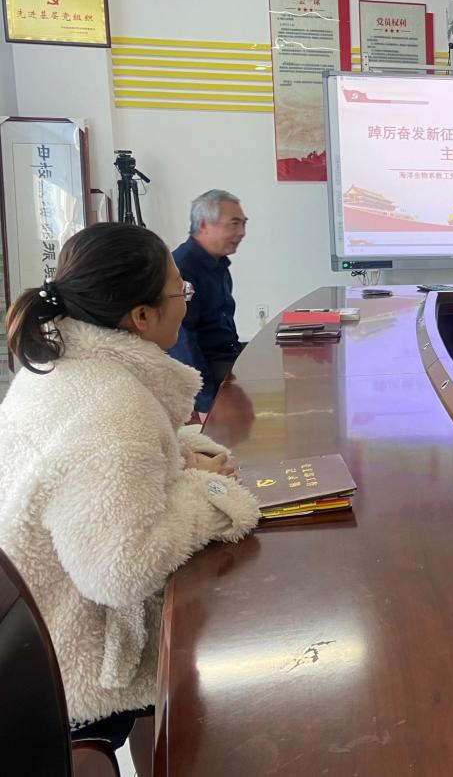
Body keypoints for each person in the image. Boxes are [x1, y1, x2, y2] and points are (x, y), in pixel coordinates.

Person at [0, 223, 260, 753]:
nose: (185, 304)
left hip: (32, 634)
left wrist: (174, 459)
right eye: (180, 292)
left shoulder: (59, 365)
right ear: (141, 317)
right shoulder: (114, 408)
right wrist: (205, 492)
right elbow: (119, 569)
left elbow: (94, 476)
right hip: (73, 662)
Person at [168, 189, 248, 414]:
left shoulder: (219, 264)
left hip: (226, 356)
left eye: (244, 224)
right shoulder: (181, 269)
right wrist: (207, 403)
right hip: (204, 369)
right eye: (234, 224)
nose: (242, 232)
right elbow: (183, 341)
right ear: (204, 225)